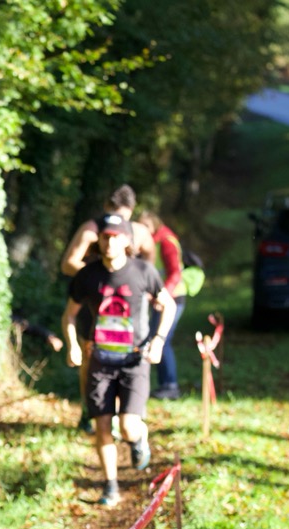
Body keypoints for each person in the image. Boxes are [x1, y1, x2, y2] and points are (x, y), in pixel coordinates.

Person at [62, 214, 176, 507]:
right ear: (99, 241)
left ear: (127, 240)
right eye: (105, 237)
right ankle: (110, 486)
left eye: (116, 237)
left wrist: (158, 341)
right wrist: (73, 346)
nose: (110, 242)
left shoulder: (143, 271)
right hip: (99, 361)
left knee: (127, 426)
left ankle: (138, 438)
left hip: (134, 361)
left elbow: (169, 305)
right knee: (102, 426)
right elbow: (69, 316)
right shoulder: (87, 275)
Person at [60, 185, 158, 432]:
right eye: (112, 215)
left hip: (130, 306)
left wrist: (140, 283)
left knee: (132, 352)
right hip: (97, 302)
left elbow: (150, 260)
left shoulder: (140, 231)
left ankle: (128, 411)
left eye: (123, 216)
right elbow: (68, 264)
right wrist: (98, 275)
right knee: (91, 357)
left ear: (132, 211)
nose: (117, 222)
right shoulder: (91, 229)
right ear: (105, 209)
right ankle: (92, 409)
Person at [137, 211, 187, 399]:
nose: (143, 230)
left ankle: (170, 386)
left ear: (155, 225)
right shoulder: (151, 242)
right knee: (155, 338)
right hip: (160, 298)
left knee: (162, 339)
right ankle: (163, 385)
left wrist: (163, 295)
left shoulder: (165, 242)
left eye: (146, 226)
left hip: (172, 298)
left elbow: (175, 273)